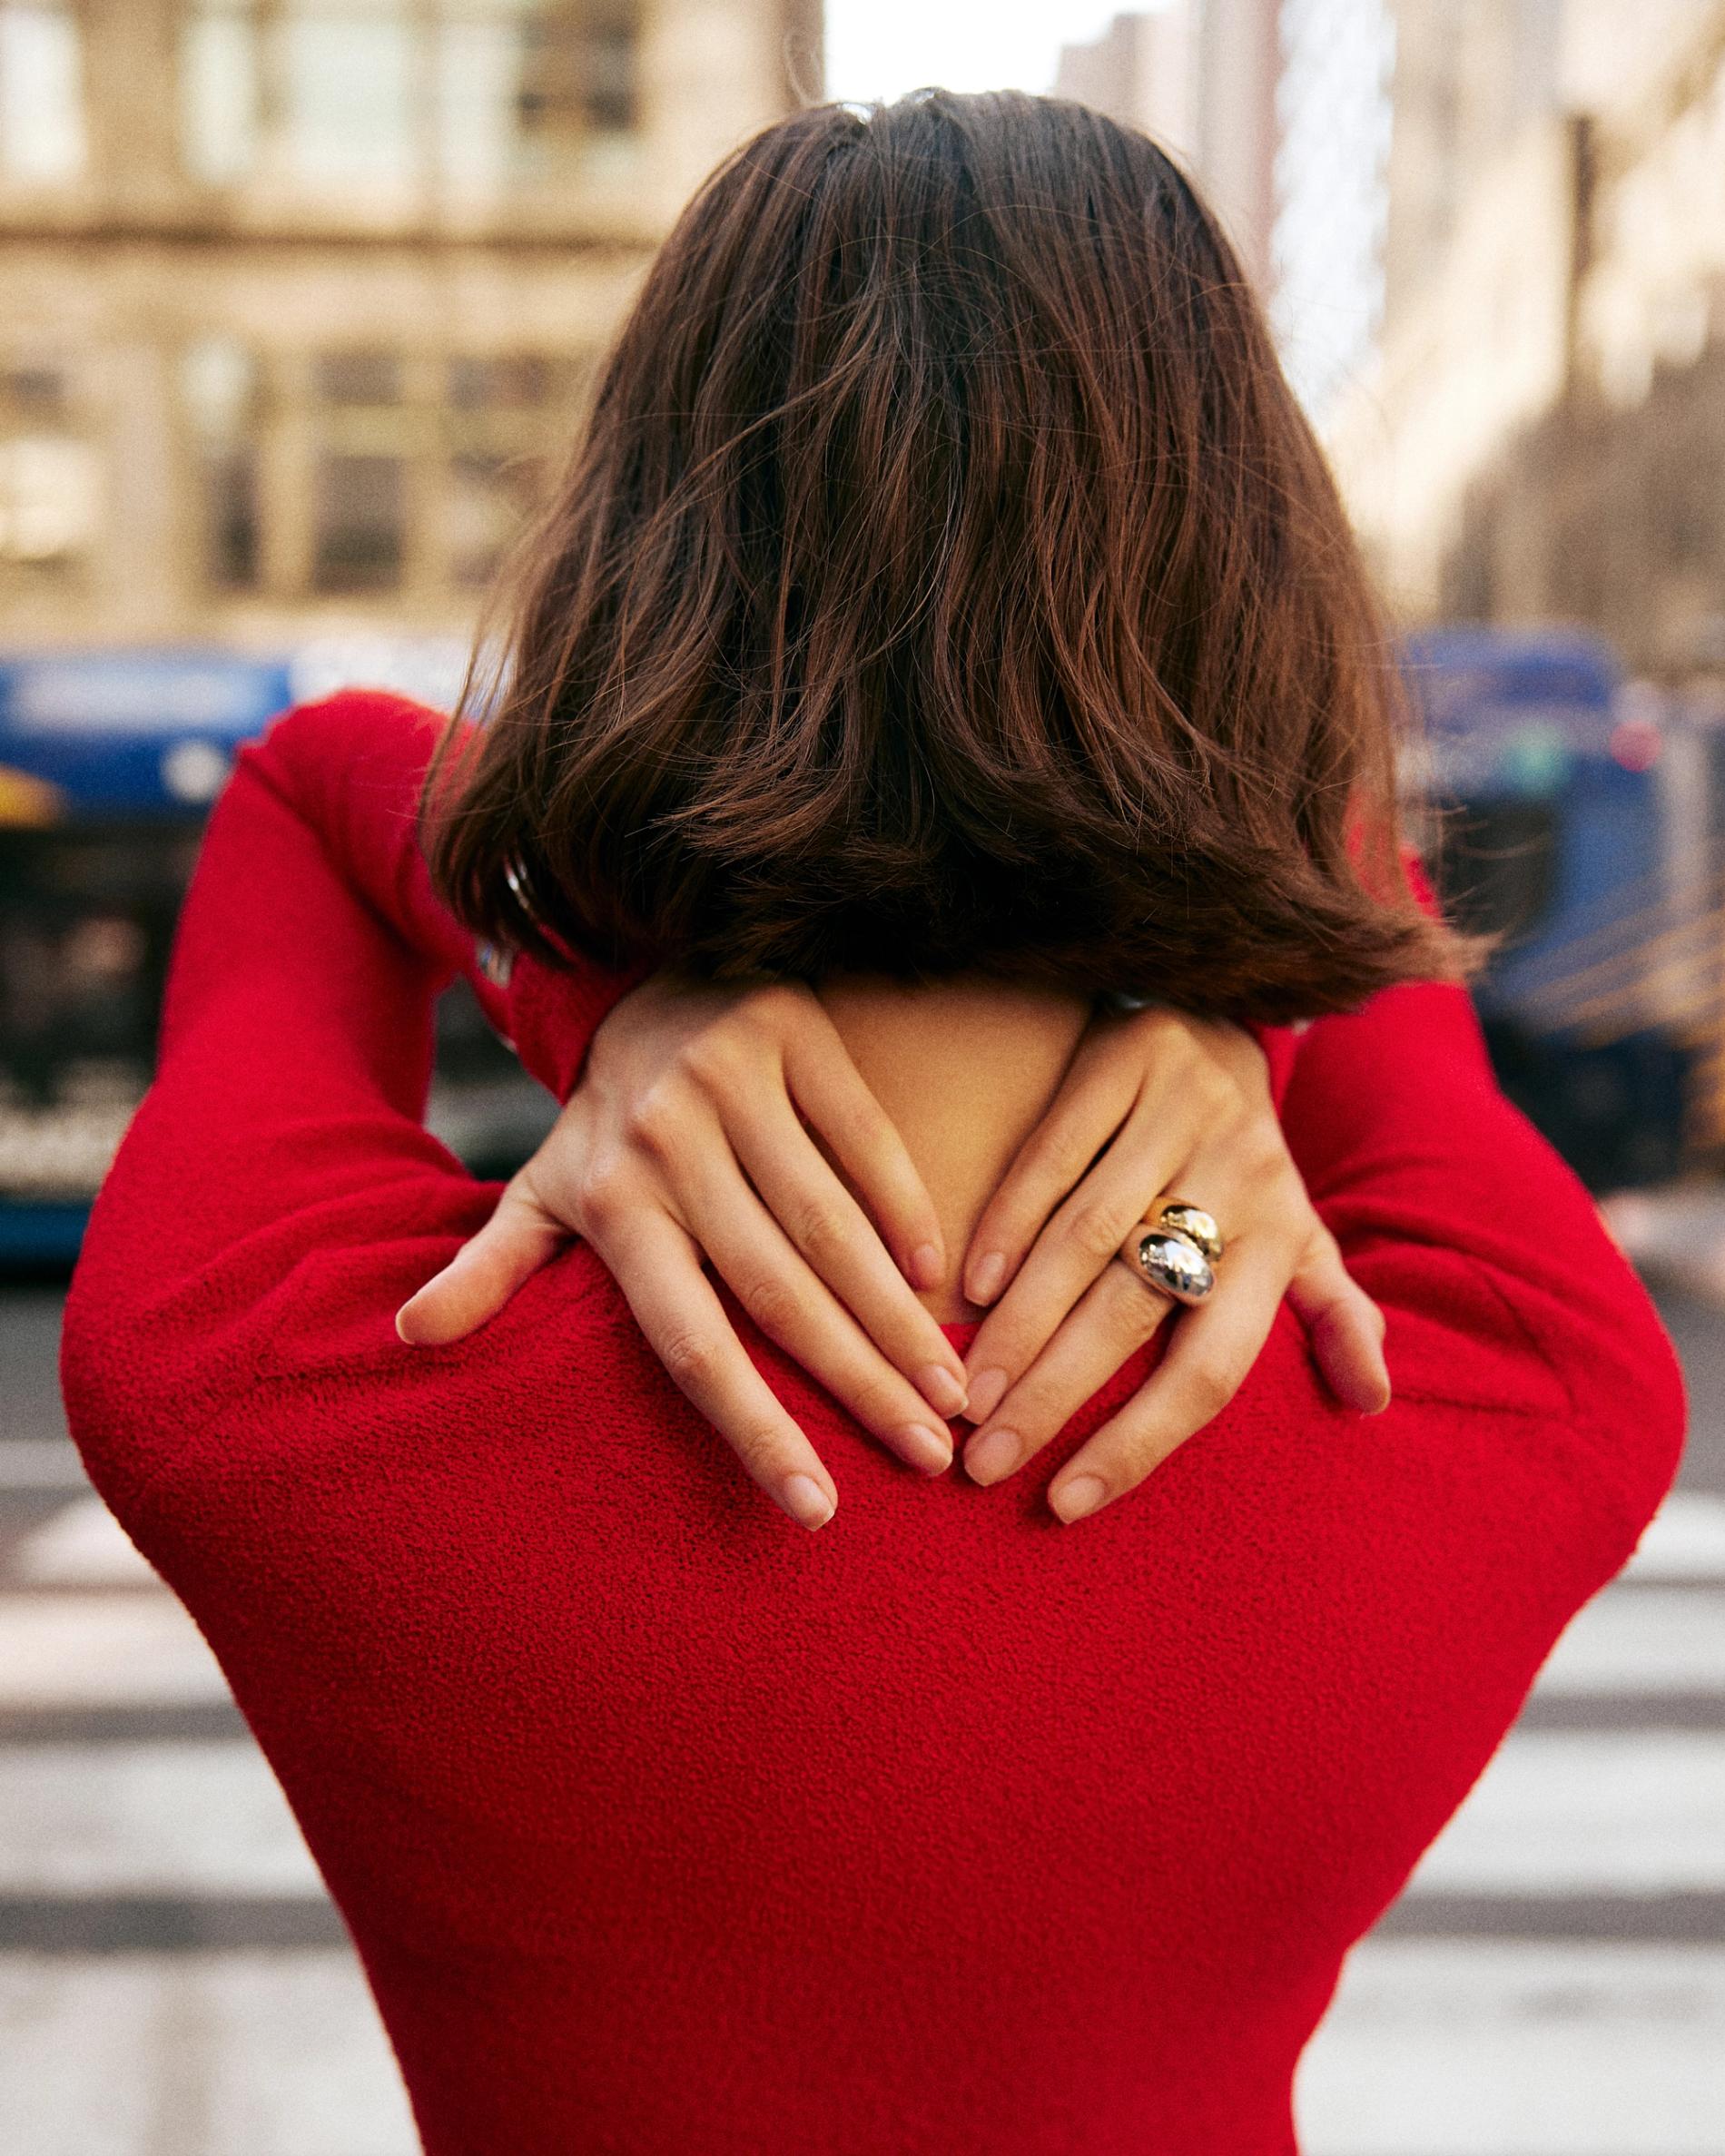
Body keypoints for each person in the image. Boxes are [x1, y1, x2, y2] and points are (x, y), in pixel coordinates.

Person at [63, 92, 1683, 2155]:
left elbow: (307, 790)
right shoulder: (1518, 1390)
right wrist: (1215, 1041)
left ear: (633, 574)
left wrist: (610, 1006)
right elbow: (1351, 885)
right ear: (1262, 600)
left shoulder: (271, 1376)